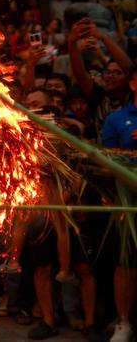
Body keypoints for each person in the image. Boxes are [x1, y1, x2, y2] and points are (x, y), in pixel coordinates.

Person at [102, 67, 137, 342]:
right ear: (133, 83)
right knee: (125, 261)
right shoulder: (117, 119)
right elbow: (107, 161)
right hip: (128, 202)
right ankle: (123, 322)